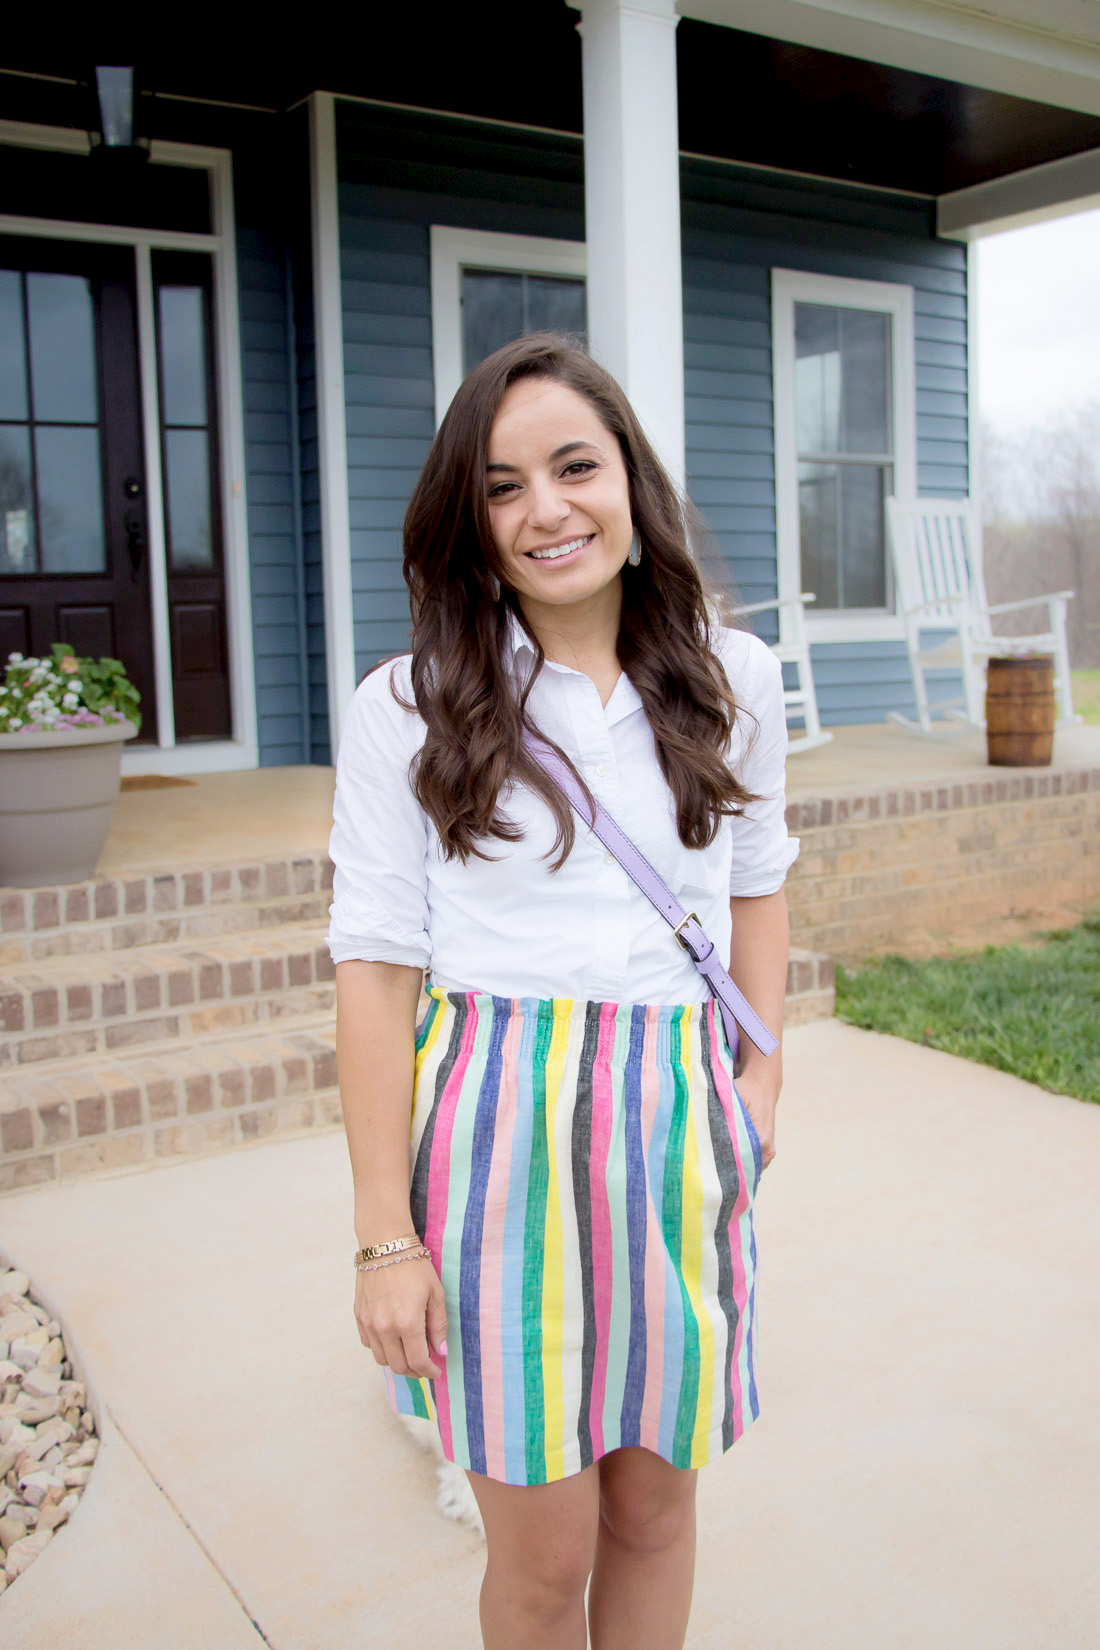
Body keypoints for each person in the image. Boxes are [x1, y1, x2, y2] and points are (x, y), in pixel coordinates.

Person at [327, 332, 798, 1650]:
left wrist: (763, 1080)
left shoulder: (732, 679)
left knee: (654, 1512)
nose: (547, 509)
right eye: (502, 485)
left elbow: (758, 877)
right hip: (495, 1138)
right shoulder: (409, 708)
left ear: (633, 493)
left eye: (575, 466)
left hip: (677, 1122)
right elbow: (372, 970)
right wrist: (384, 1235)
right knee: (544, 1558)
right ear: (471, 529)